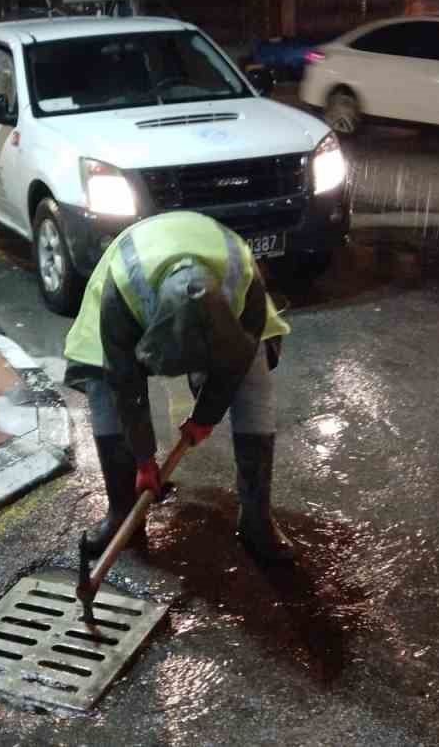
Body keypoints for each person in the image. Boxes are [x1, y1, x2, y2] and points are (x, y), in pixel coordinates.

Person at [63, 211, 296, 563]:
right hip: (127, 294)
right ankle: (122, 513)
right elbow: (128, 385)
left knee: (254, 374)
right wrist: (144, 460)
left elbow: (237, 361)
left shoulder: (244, 281)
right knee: (103, 385)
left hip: (224, 286)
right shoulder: (122, 292)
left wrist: (205, 417)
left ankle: (256, 519)